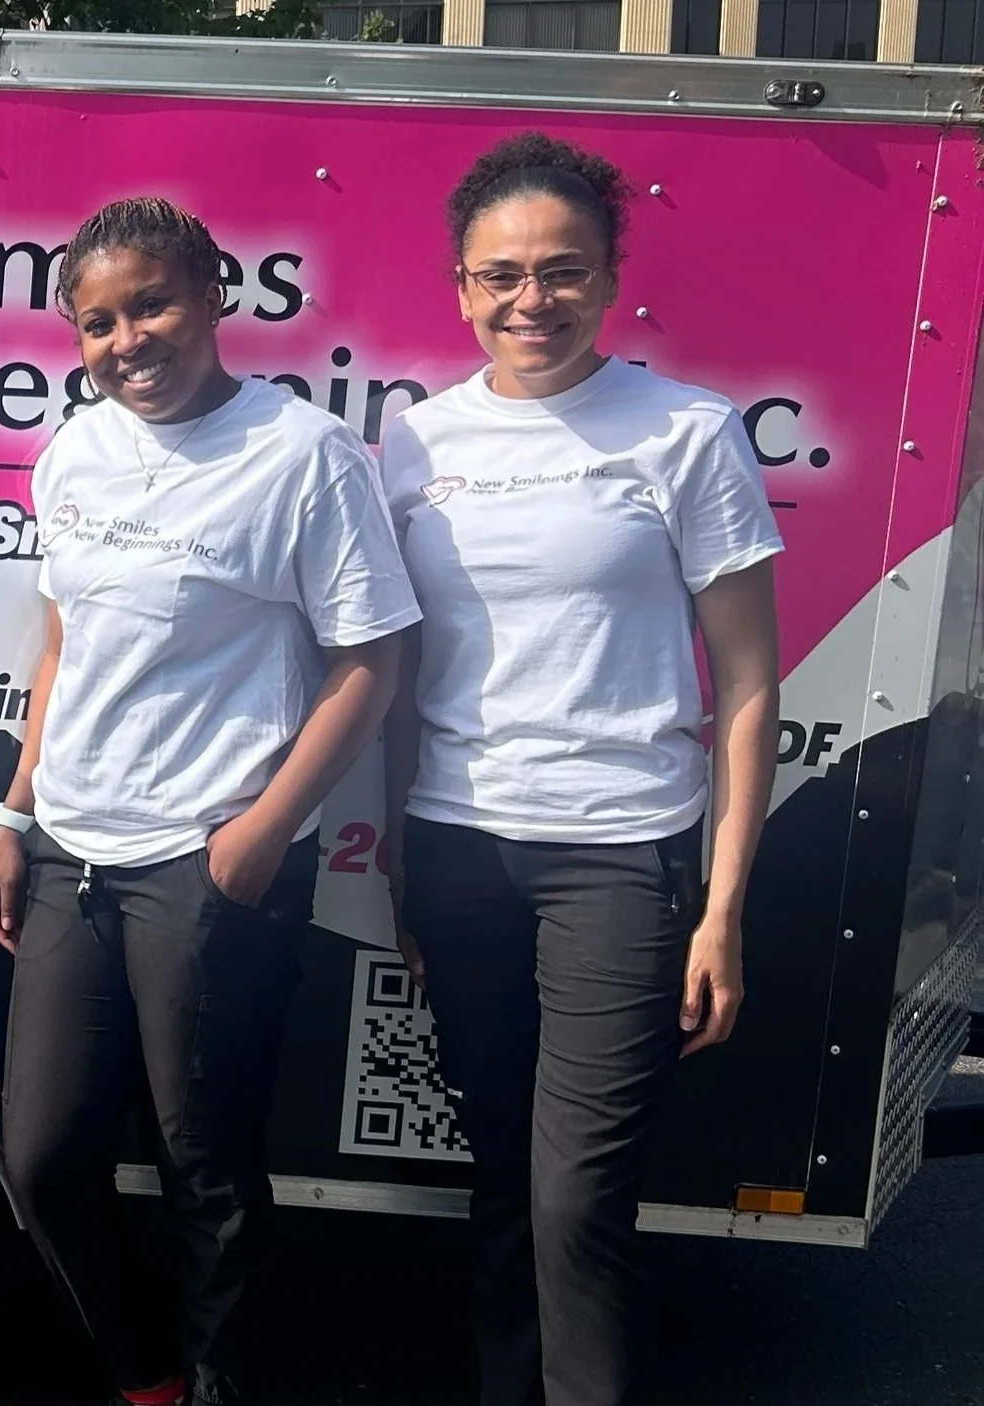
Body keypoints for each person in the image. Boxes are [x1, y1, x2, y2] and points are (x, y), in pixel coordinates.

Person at [0, 197, 421, 1406]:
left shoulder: (302, 454)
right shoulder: (75, 449)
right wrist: (17, 813)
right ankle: (147, 1374)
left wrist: (262, 830)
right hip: (72, 849)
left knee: (206, 1169)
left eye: (152, 305)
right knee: (43, 1156)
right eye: (98, 322)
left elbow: (370, 659)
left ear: (213, 296)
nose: (128, 340)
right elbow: (64, 644)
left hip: (206, 861)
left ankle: (227, 1387)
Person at [378, 132, 782, 1406]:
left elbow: (748, 682)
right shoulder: (414, 442)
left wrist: (721, 909)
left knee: (575, 1201)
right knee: (503, 1182)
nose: (531, 300)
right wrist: (400, 866)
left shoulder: (685, 432)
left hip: (617, 856)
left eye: (561, 270)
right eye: (500, 274)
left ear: (610, 279)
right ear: (460, 287)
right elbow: (399, 672)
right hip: (458, 848)